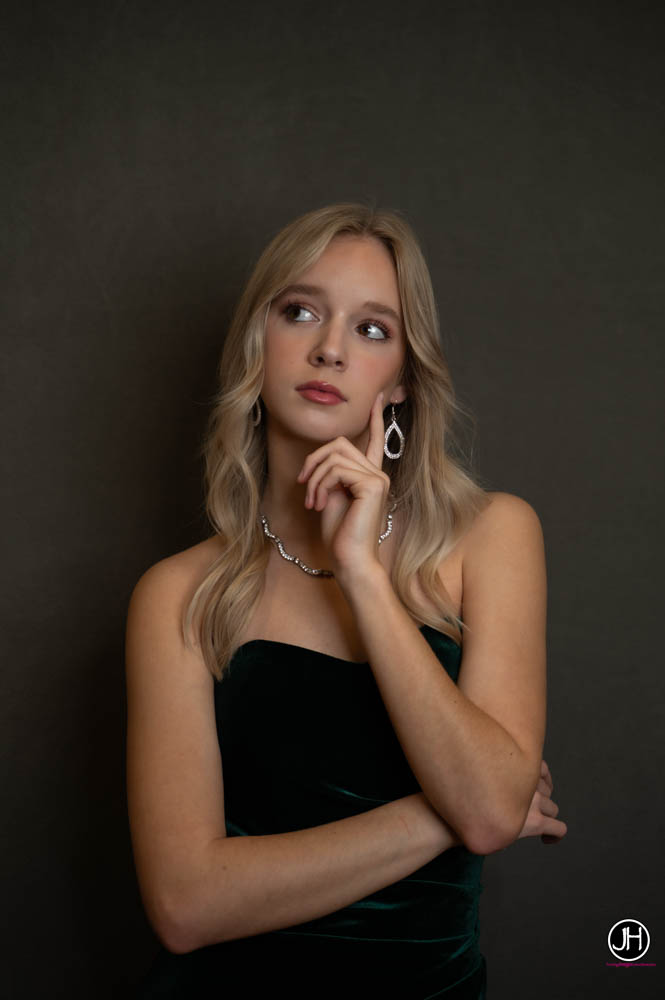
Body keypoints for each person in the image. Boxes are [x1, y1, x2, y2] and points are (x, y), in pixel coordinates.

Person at [125, 202, 568, 999]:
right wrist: (445, 815)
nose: (329, 348)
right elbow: (185, 906)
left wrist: (361, 572)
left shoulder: (492, 535)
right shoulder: (178, 595)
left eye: (370, 329)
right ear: (256, 343)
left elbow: (489, 809)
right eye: (299, 312)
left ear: (401, 378)